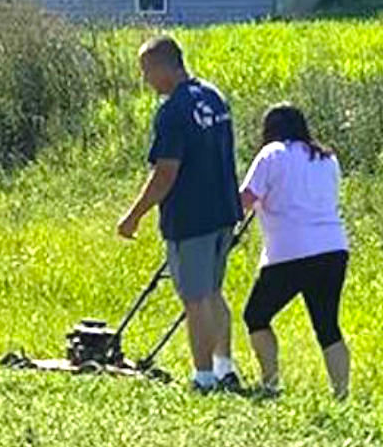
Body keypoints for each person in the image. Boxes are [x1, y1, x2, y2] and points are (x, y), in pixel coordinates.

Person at [117, 35, 245, 393]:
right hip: (223, 210)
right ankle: (225, 367)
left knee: (194, 297)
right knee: (214, 292)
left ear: (163, 67)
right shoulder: (213, 96)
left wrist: (134, 216)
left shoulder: (173, 112)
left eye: (146, 71)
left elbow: (165, 173)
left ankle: (203, 377)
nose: (145, 80)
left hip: (192, 216)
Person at [239, 103, 351, 399]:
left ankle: (271, 382)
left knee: (256, 316)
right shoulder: (327, 159)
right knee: (327, 324)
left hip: (289, 252)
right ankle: (341, 393)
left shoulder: (272, 154)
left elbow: (246, 199)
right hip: (333, 248)